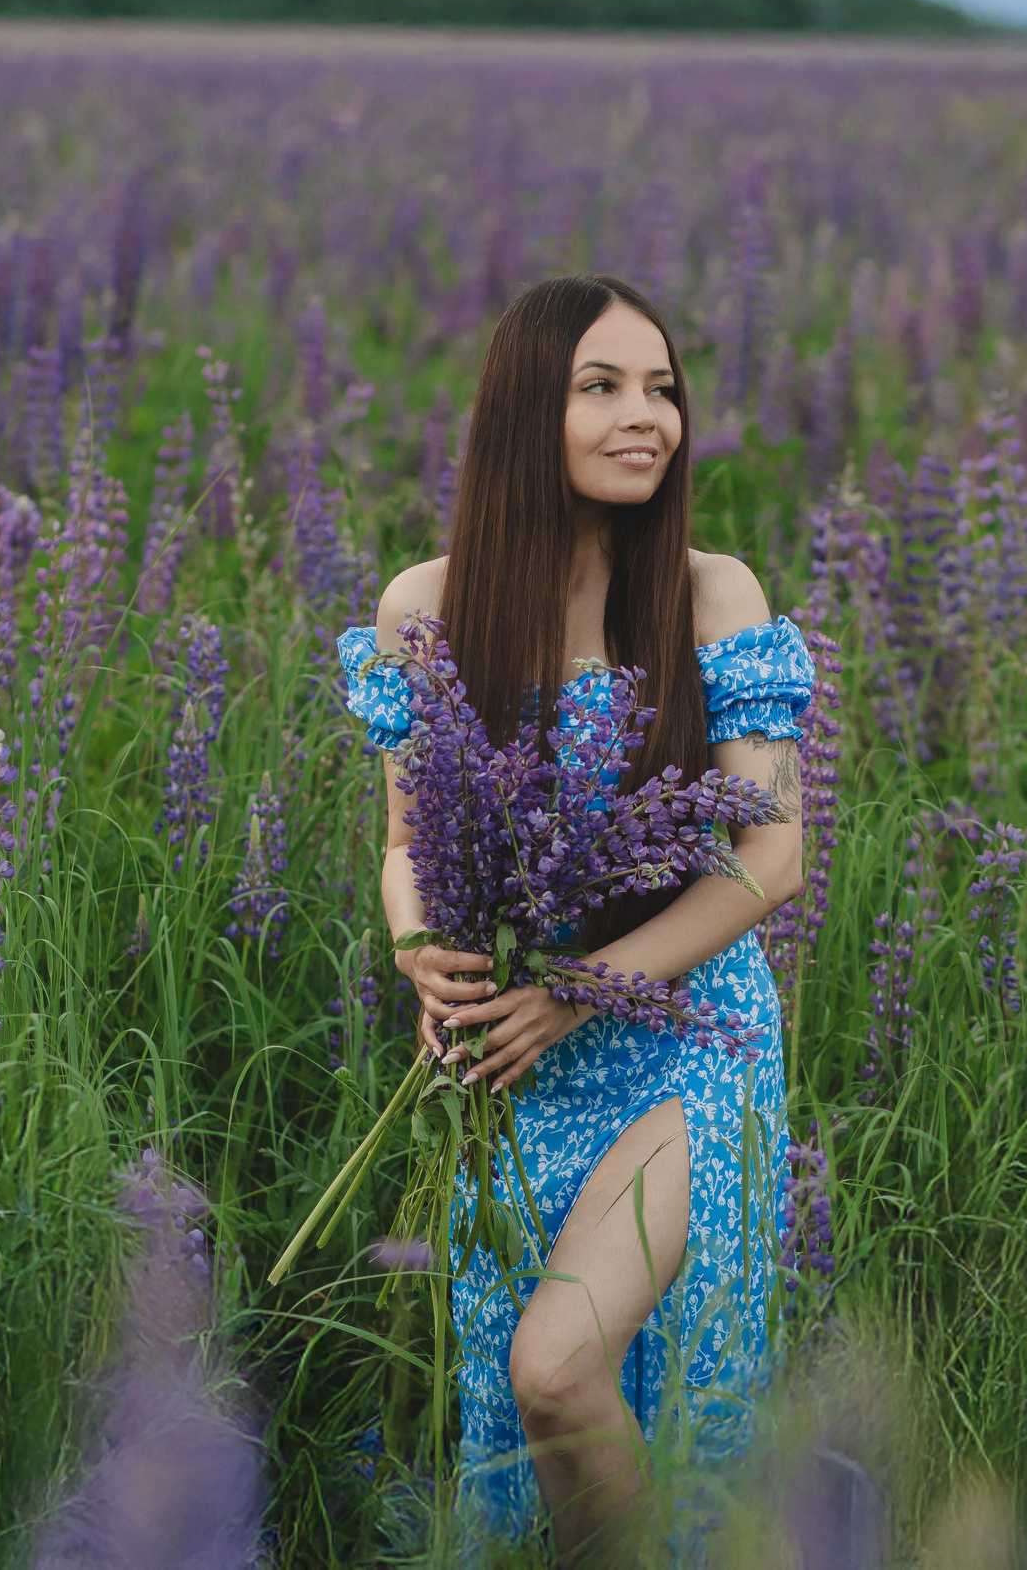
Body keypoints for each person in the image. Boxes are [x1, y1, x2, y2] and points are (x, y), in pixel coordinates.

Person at [336, 274, 814, 1559]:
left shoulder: (715, 596)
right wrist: (418, 952)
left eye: (661, 389)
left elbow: (769, 862)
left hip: (683, 1040)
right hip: (514, 1057)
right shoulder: (424, 609)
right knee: (539, 1400)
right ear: (518, 415)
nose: (643, 416)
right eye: (599, 387)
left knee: (554, 1365)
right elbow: (399, 849)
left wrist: (583, 989)